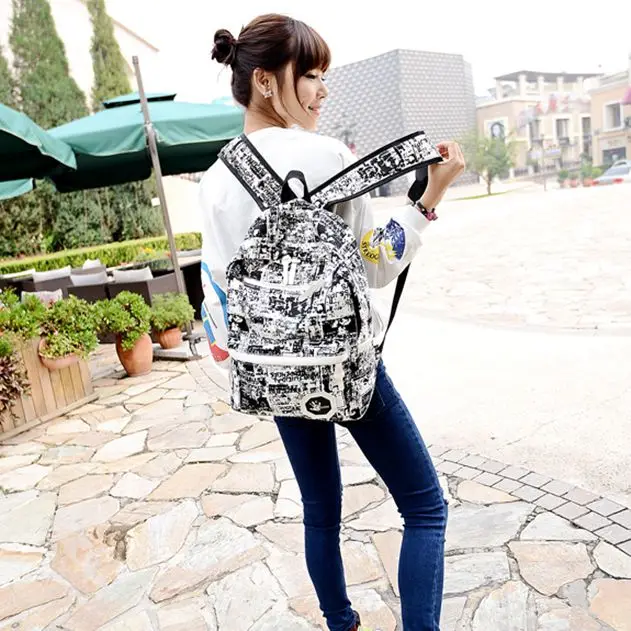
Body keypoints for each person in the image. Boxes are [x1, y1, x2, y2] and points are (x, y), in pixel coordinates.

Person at [200, 14, 465, 631]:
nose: (323, 90)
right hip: (347, 363)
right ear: (266, 80)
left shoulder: (215, 181)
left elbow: (219, 295)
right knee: (425, 509)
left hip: (276, 369)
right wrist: (428, 198)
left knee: (321, 512)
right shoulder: (329, 157)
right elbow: (376, 262)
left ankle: (341, 624)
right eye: (312, 75)